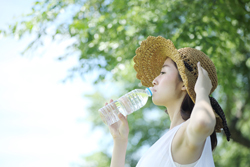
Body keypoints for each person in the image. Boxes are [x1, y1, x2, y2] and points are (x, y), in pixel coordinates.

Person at [105, 36, 231, 167]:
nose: (154, 80)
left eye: (163, 72)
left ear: (184, 84)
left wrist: (202, 91)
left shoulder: (186, 134)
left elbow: (203, 123)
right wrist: (119, 141)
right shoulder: (166, 142)